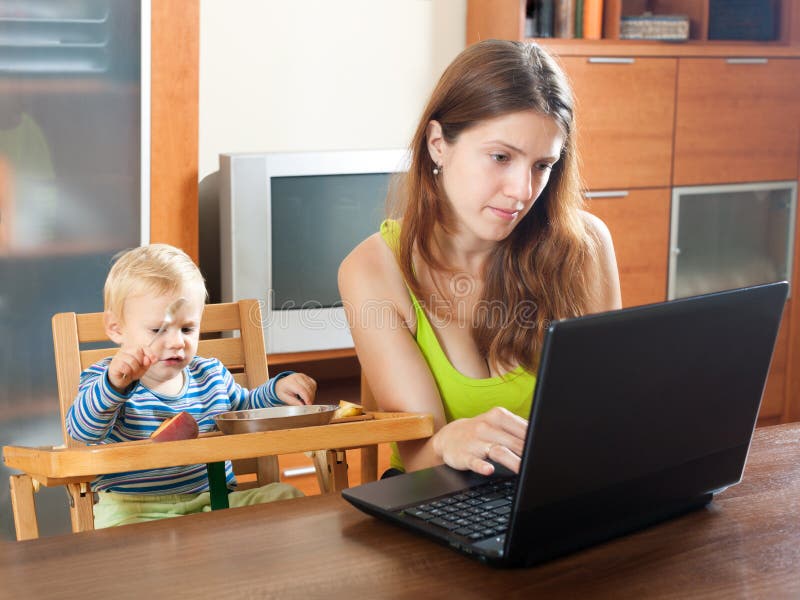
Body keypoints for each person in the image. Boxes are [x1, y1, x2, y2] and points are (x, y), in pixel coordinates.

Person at [339, 40, 621, 479]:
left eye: (542, 166)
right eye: (501, 157)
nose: (522, 191)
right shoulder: (373, 271)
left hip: (557, 488)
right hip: (434, 490)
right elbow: (417, 456)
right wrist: (451, 440)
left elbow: (607, 411)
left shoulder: (585, 246)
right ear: (438, 144)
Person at [66, 243, 317, 528]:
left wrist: (276, 391)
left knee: (287, 496)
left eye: (187, 328)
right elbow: (83, 430)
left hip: (217, 500)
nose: (176, 342)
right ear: (116, 328)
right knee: (108, 540)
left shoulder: (210, 375)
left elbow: (245, 410)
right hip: (134, 511)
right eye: (158, 329)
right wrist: (113, 385)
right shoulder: (105, 380)